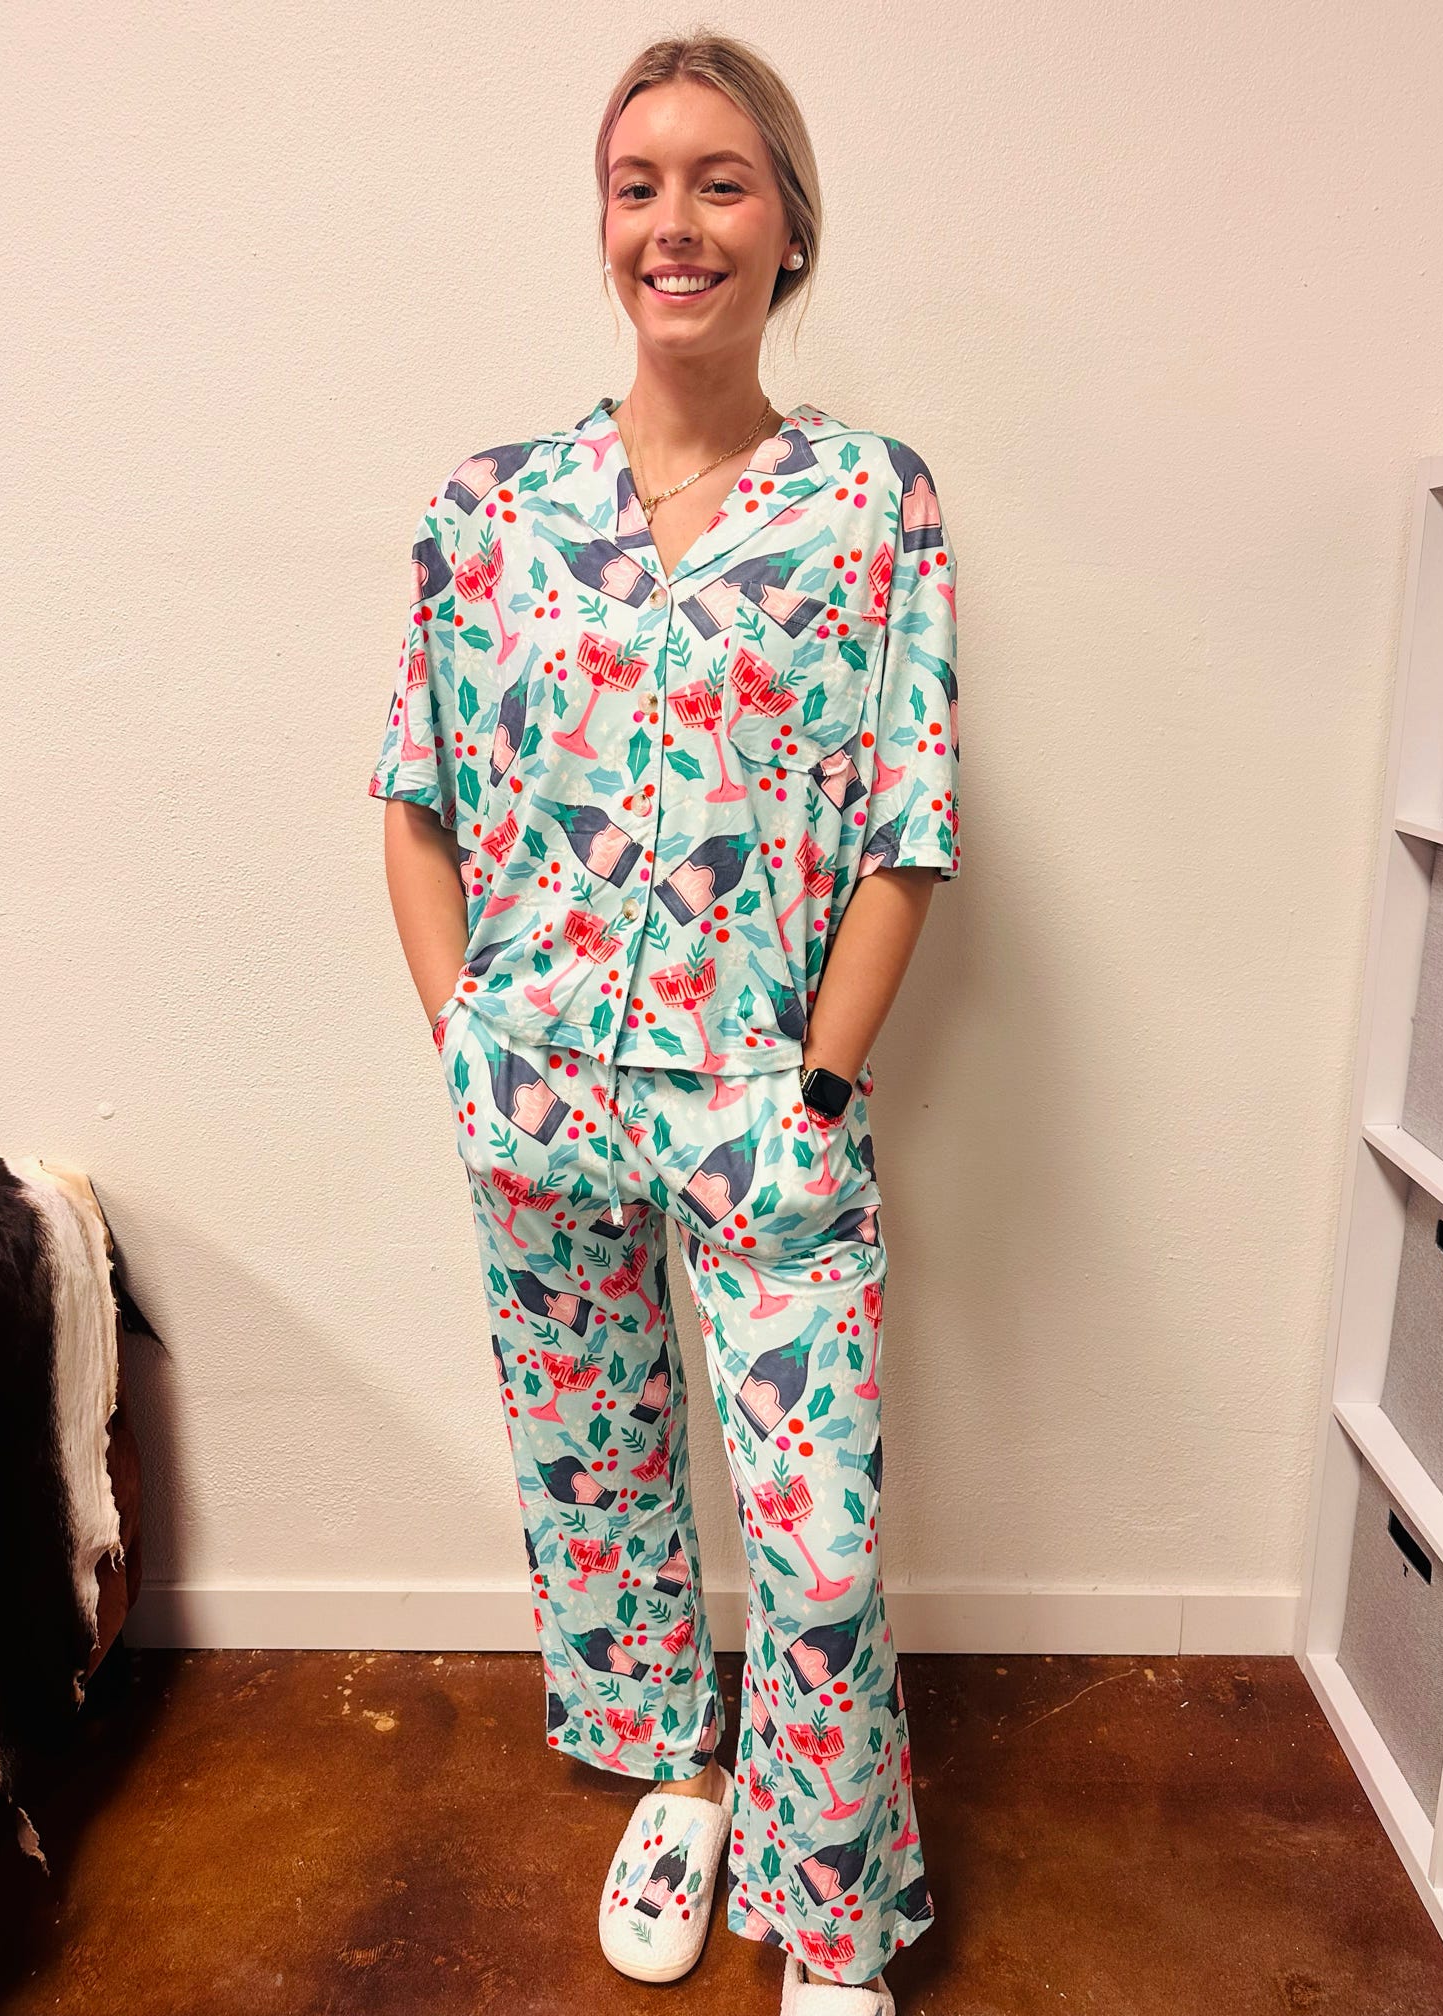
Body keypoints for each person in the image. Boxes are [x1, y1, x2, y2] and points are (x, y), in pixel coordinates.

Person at [368, 30, 959, 2015]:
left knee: (819, 1545)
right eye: (639, 185)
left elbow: (910, 827)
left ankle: (832, 1907)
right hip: (540, 1091)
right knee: (602, 1493)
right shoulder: (491, 509)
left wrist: (821, 1085)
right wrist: (466, 1044)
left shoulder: (871, 502)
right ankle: (683, 1786)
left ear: (790, 227)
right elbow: (416, 796)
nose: (675, 223)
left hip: (760, 1099)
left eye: (721, 181)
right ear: (602, 224)